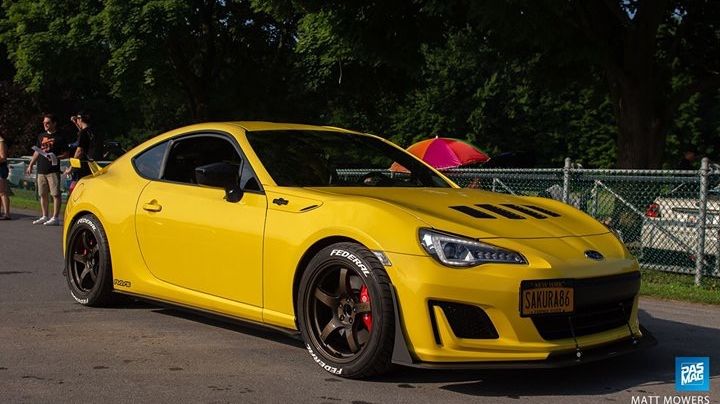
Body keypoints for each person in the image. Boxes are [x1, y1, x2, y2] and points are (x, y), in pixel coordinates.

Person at [26, 113, 69, 226]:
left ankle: (55, 218)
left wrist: (56, 157)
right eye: (44, 123)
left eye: (48, 123)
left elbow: (66, 154)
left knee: (55, 194)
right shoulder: (41, 136)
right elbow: (37, 151)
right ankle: (45, 216)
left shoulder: (60, 137)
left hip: (53, 170)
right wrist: (31, 164)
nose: (45, 124)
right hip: (41, 169)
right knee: (42, 194)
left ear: (54, 123)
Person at [65, 111, 103, 191]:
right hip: (96, 166)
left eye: (77, 119)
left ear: (81, 119)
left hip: (84, 167)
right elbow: (83, 133)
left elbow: (79, 152)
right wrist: (75, 122)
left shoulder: (84, 133)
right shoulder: (95, 131)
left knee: (76, 189)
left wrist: (71, 167)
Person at [0, 133, 10, 220]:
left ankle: (7, 213)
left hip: (1, 168)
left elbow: (2, 157)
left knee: (2, 192)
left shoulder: (1, 141)